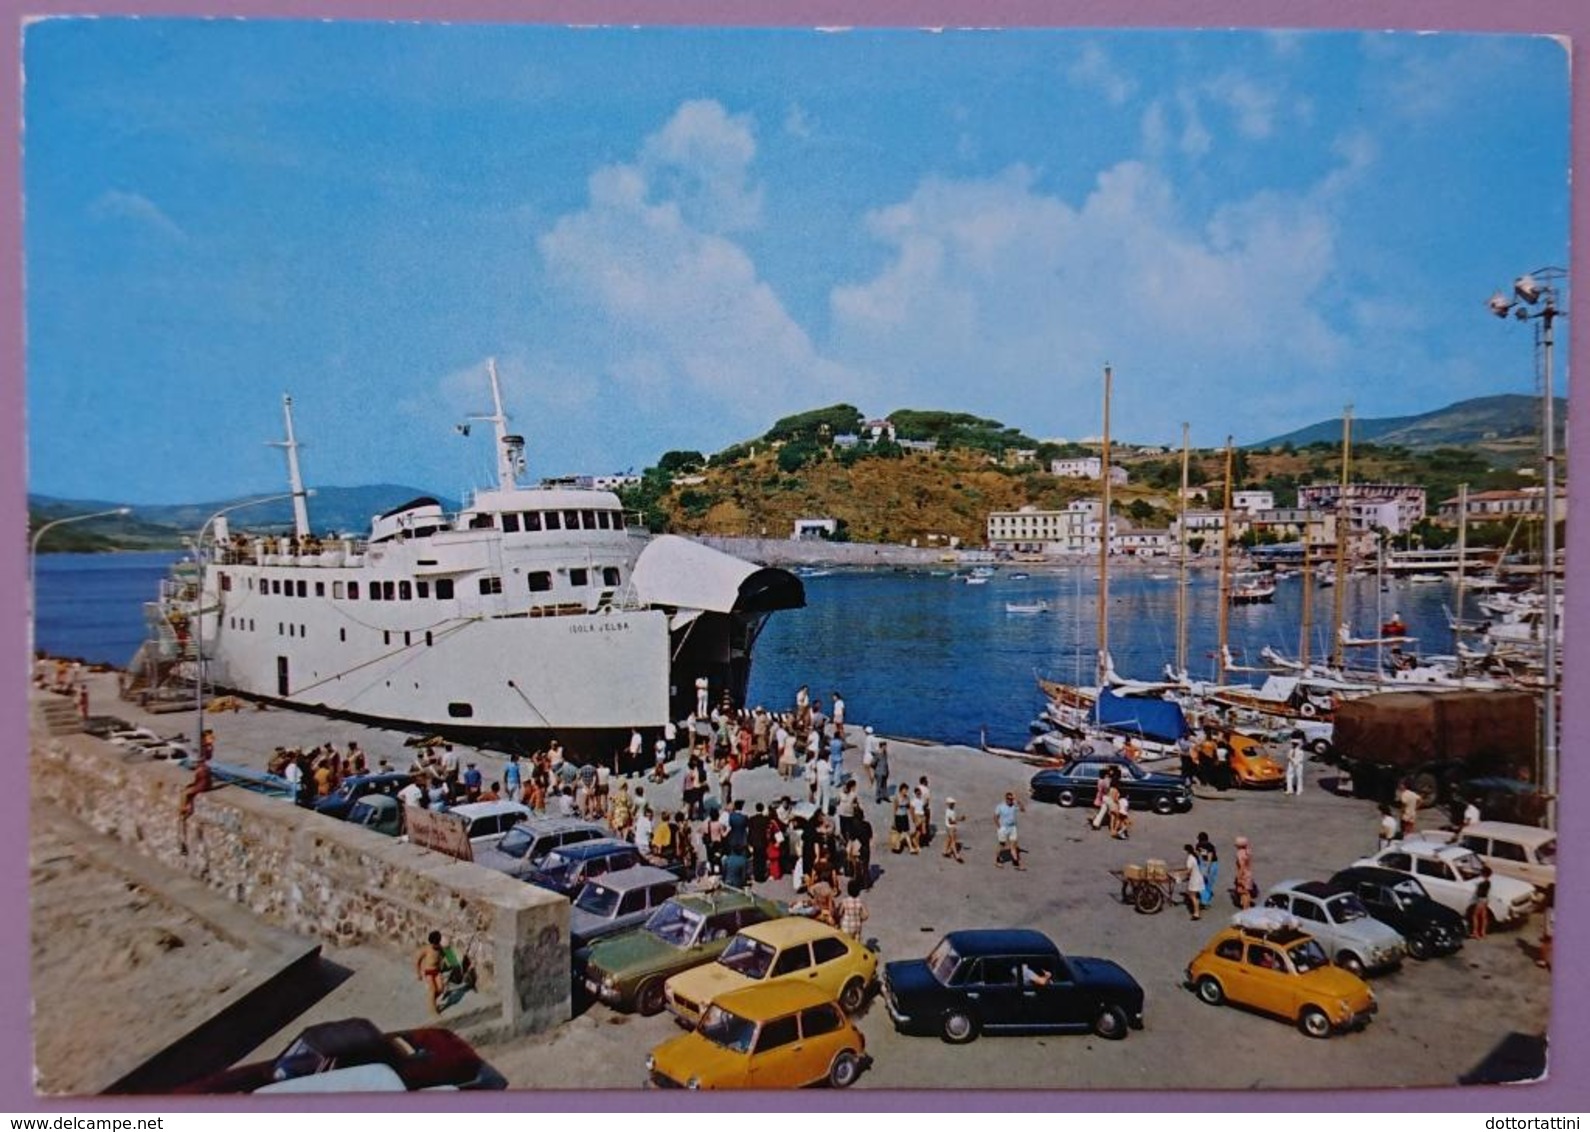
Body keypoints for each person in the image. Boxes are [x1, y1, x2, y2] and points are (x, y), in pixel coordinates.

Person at [415, 930, 448, 1016]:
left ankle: (431, 1001)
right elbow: (417, 961)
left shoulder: (440, 948)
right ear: (431, 942)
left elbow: (445, 955)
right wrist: (418, 973)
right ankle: (433, 1011)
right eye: (434, 944)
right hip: (428, 971)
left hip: (436, 971)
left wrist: (447, 962)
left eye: (437, 944)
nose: (435, 946)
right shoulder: (426, 949)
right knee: (432, 989)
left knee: (440, 989)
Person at [994, 791, 1025, 869]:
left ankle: (1016, 863)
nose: (1010, 800)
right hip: (1003, 828)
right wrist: (999, 827)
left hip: (1012, 828)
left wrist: (1019, 802)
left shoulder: (1014, 806)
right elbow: (995, 817)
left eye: (1011, 799)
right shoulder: (1000, 806)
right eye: (1008, 799)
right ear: (1005, 798)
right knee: (1002, 845)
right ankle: (997, 860)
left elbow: (1023, 810)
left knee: (1013, 845)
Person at [1468, 867, 1492, 940]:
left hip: (1480, 900)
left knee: (1475, 916)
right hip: (1485, 900)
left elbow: (1479, 893)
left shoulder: (1481, 884)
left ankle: (1475, 933)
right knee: (1484, 917)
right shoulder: (1488, 882)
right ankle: (1483, 932)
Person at [1195, 831, 1219, 906]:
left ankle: (1204, 898)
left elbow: (1198, 854)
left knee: (1203, 882)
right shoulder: (1210, 846)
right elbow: (1210, 857)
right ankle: (1205, 900)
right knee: (1209, 883)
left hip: (1203, 863)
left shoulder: (1198, 845)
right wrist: (1208, 867)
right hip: (1212, 864)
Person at [1183, 843, 1205, 921]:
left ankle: (1196, 913)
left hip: (1194, 879)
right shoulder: (1195, 856)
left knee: (1193, 896)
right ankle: (1197, 910)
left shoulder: (1190, 858)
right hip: (1198, 877)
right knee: (1194, 895)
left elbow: (1189, 870)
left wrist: (1180, 875)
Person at [891, 783, 914, 854]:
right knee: (899, 832)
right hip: (898, 816)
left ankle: (911, 848)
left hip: (904, 816)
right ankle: (897, 846)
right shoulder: (897, 797)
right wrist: (894, 819)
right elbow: (895, 808)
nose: (906, 791)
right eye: (905, 790)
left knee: (906, 832)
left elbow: (909, 807)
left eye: (906, 790)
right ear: (901, 790)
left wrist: (912, 816)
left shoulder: (907, 798)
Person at [1233, 835, 1254, 909]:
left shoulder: (1240, 853)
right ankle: (1247, 907)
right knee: (1247, 892)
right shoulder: (1247, 851)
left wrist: (1239, 877)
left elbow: (1241, 866)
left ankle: (1245, 909)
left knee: (1243, 892)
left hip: (1243, 875)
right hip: (1248, 873)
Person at [941, 797, 963, 862]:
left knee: (948, 839)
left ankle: (944, 851)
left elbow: (954, 818)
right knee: (953, 841)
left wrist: (959, 819)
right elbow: (951, 821)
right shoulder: (949, 812)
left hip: (949, 827)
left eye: (953, 804)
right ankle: (957, 855)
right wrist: (958, 820)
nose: (953, 805)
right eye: (952, 804)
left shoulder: (950, 810)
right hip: (951, 827)